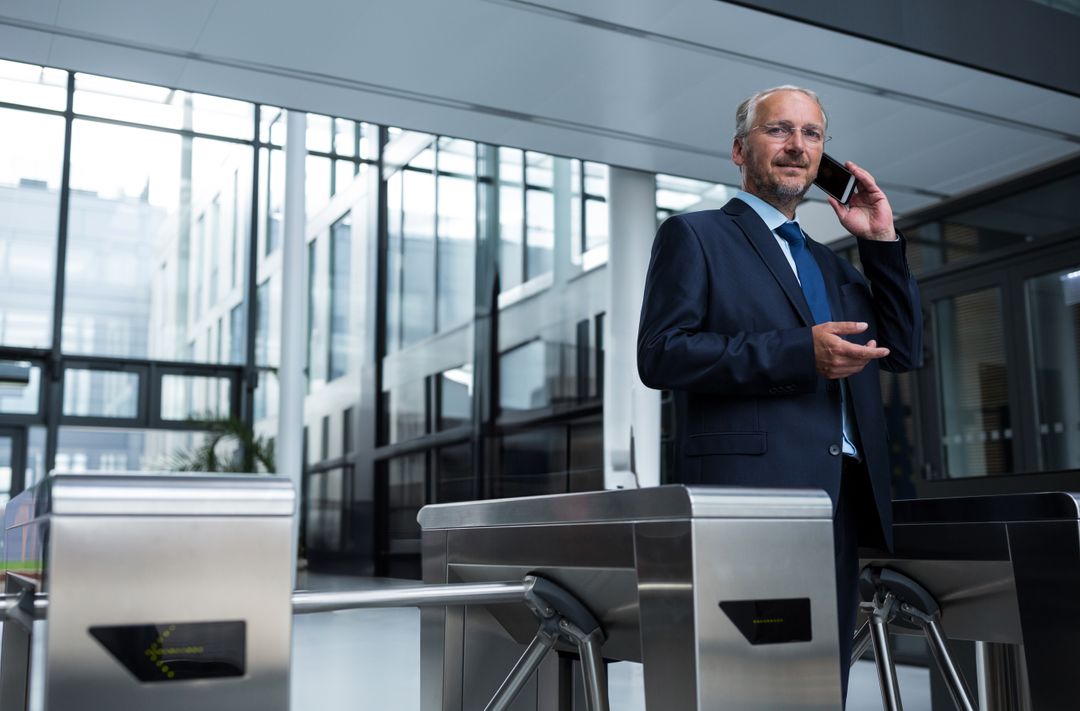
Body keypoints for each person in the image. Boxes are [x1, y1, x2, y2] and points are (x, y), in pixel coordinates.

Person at [636, 85, 922, 704]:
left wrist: (880, 242)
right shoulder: (694, 235)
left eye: (812, 134)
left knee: (819, 683)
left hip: (839, 502)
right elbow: (661, 354)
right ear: (740, 150)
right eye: (779, 130)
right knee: (752, 681)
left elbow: (901, 350)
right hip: (753, 499)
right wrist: (799, 353)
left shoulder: (831, 263)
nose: (797, 145)